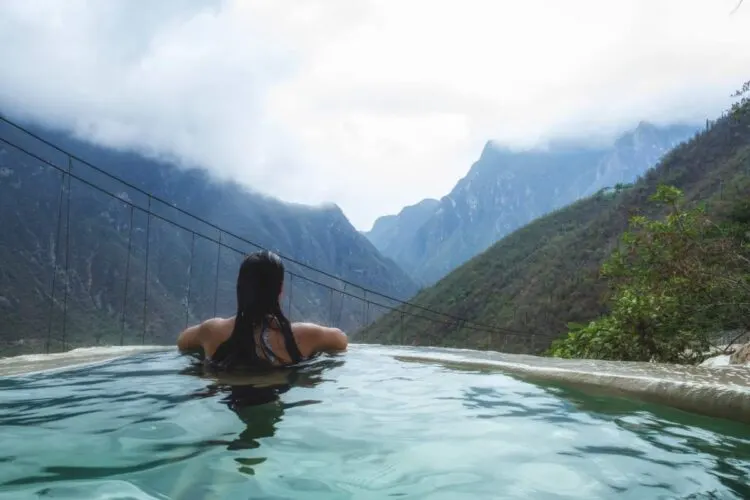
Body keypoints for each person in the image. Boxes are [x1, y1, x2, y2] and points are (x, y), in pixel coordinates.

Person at [177, 250, 348, 371]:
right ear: (280, 290)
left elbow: (182, 341)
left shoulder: (211, 330)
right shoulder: (307, 336)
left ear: (240, 288)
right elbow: (341, 339)